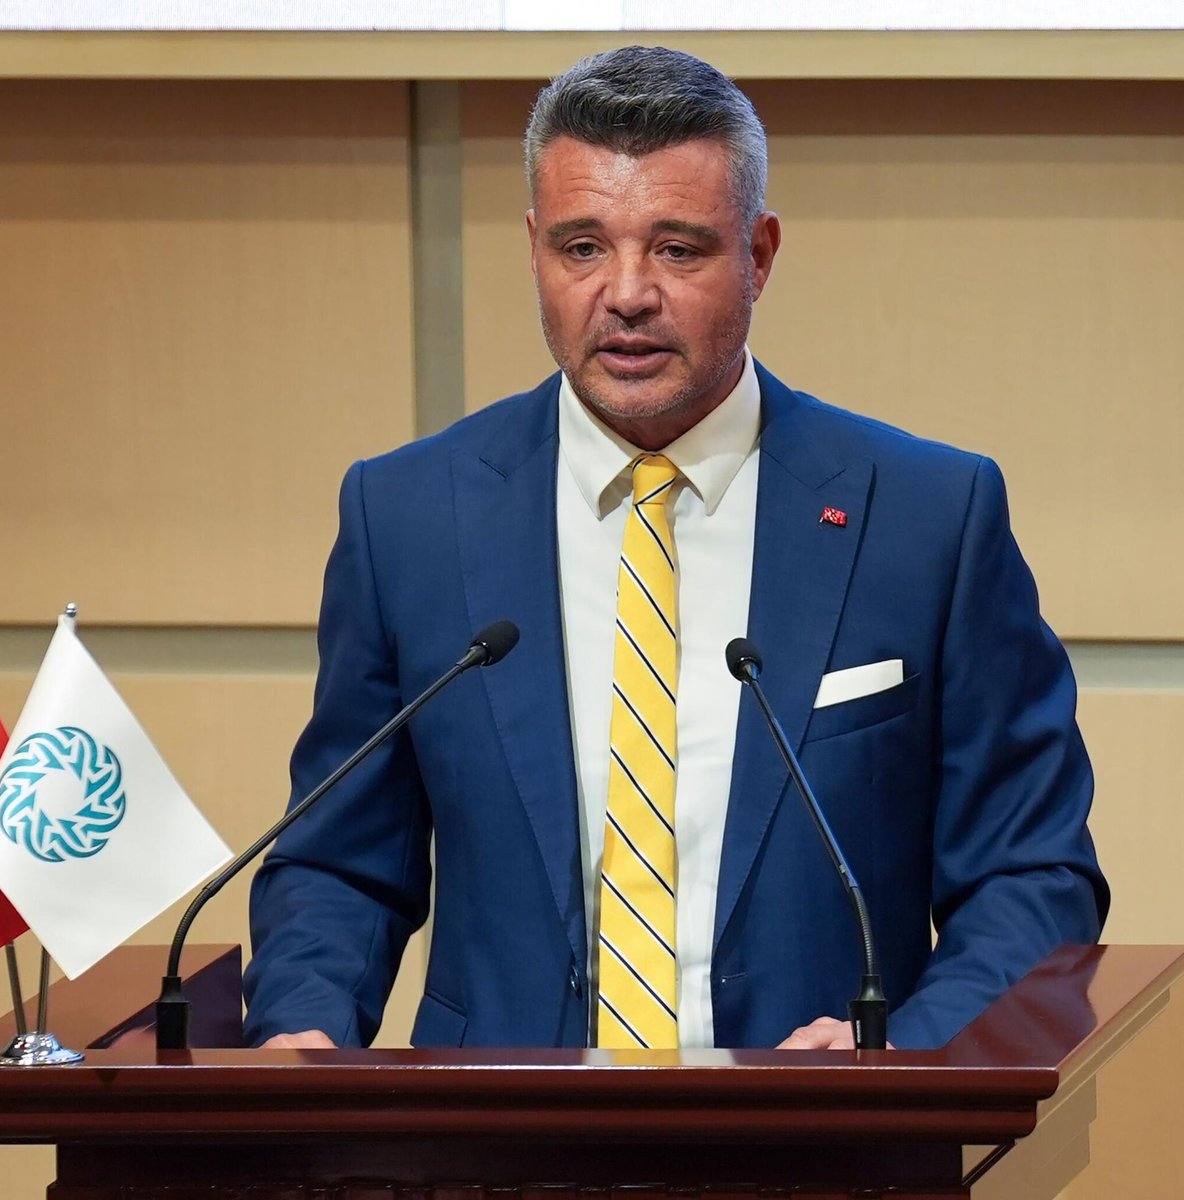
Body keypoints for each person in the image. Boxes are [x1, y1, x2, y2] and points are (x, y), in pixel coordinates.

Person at [243, 46, 1107, 1052]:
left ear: (760, 255)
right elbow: (340, 864)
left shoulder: (927, 517)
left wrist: (902, 1056)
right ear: (534, 251)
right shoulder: (409, 517)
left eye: (678, 250)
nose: (627, 294)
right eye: (581, 247)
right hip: (497, 1124)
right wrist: (301, 1030)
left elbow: (1031, 873)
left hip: (821, 1127)